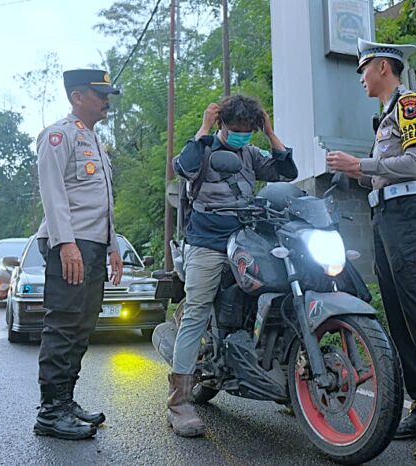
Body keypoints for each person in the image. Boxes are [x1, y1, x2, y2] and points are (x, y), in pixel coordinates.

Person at [326, 39, 416, 462]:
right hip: (386, 216)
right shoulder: (384, 118)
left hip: (408, 213)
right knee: (400, 317)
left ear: (384, 67)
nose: (360, 76)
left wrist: (361, 165)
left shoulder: (410, 104)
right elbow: (382, 175)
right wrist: (353, 174)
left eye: (363, 67)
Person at [168, 94, 297, 437]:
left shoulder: (251, 153)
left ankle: (290, 385)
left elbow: (286, 172)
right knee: (196, 310)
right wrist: (204, 128)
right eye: (235, 129)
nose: (241, 134)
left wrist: (270, 133)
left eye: (247, 130)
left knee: (279, 300)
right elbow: (182, 167)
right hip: (206, 242)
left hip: (248, 240)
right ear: (223, 123)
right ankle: (179, 403)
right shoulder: (205, 148)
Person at [33, 69, 123, 440]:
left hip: (94, 244)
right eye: (100, 95)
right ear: (77, 97)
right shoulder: (59, 135)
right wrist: (64, 242)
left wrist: (113, 245)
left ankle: (65, 401)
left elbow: (102, 203)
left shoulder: (97, 143)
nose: (106, 102)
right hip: (69, 243)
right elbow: (52, 192)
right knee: (63, 325)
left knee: (82, 327)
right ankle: (50, 412)